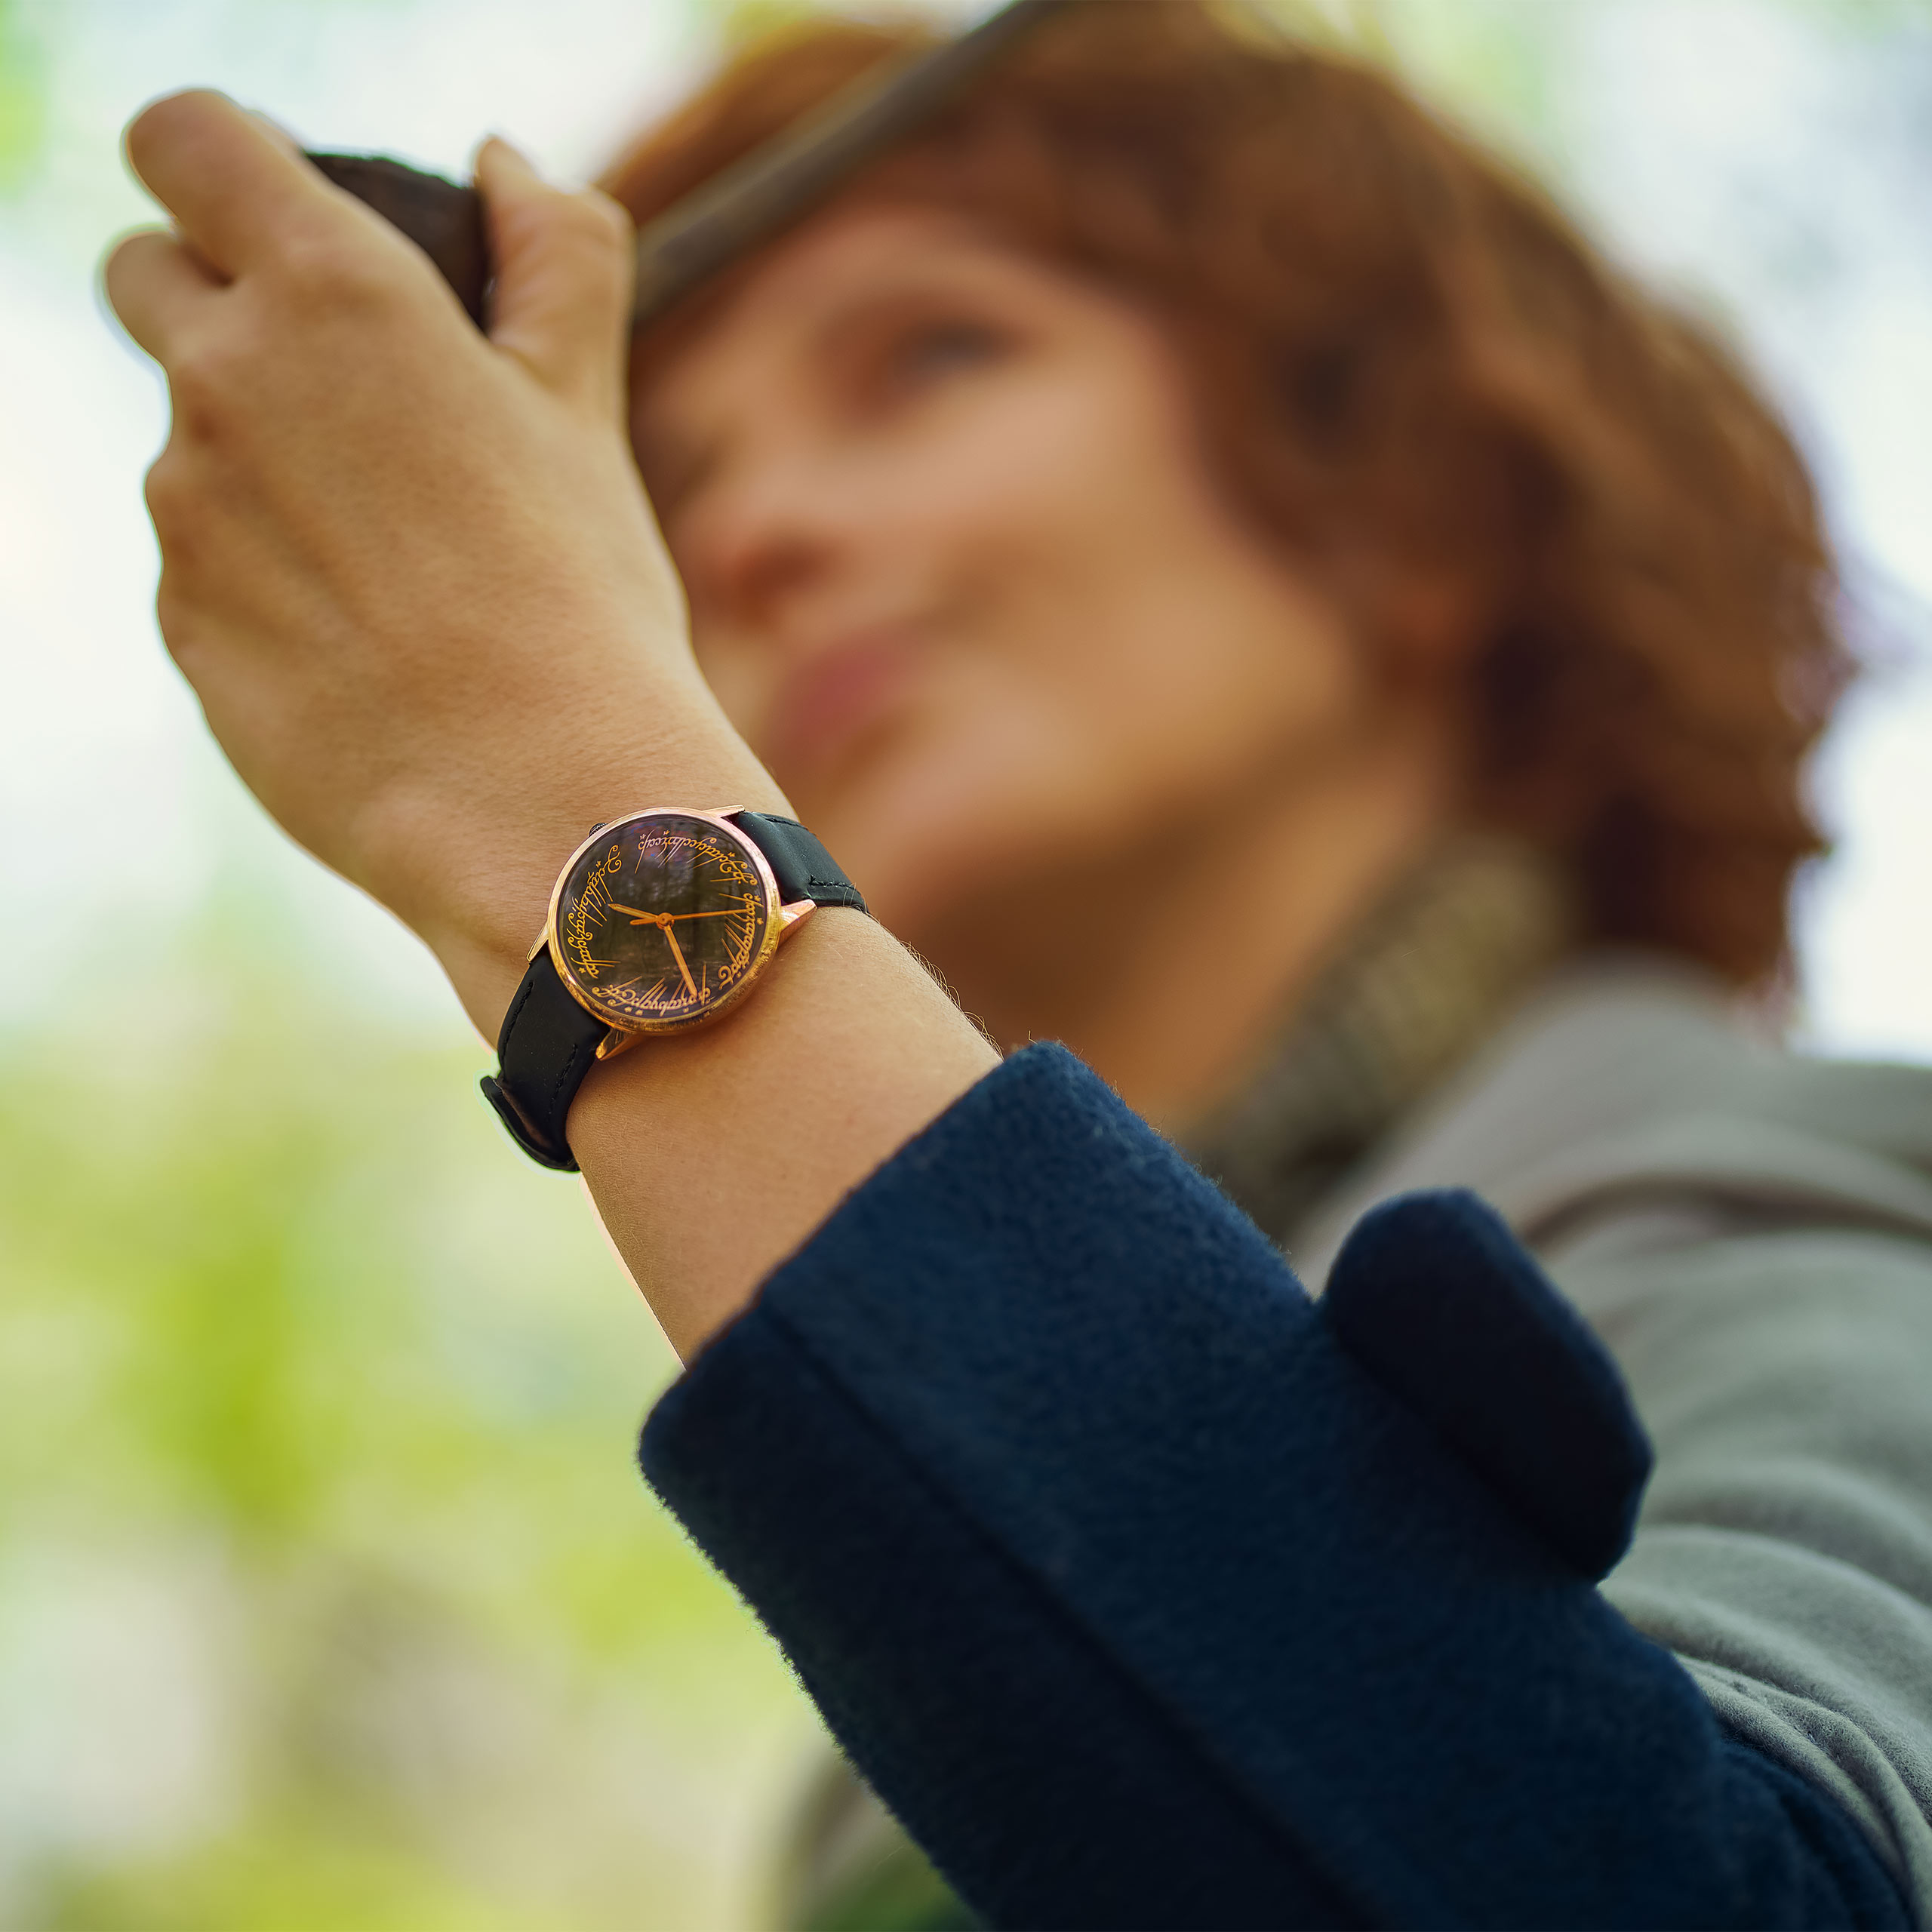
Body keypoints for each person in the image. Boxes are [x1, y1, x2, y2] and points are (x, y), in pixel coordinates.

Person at [103, 5, 1932, 1926]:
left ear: (1419, 494)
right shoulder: (850, 1765)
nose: (747, 530)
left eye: (928, 356)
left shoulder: (1801, 1201)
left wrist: (558, 781)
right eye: (668, 488)